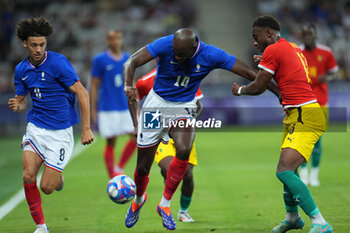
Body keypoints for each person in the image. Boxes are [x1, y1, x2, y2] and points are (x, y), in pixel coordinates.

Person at [124, 28, 280, 230]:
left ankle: (165, 204)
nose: (176, 57)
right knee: (143, 167)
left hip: (183, 107)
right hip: (156, 106)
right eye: (175, 53)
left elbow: (251, 73)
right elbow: (131, 62)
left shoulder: (211, 54)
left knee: (184, 150)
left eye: (181, 54)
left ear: (194, 48)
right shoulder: (166, 43)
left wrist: (277, 92)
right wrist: (128, 85)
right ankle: (138, 199)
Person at [232, 15, 333, 233]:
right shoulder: (293, 48)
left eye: (256, 36)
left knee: (285, 171)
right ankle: (293, 217)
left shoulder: (274, 50)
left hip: (304, 115)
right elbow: (288, 74)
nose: (254, 42)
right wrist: (267, 63)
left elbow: (258, 86)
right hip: (298, 114)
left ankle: (320, 222)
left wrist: (239, 90)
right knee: (289, 170)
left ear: (268, 33)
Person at [8, 17, 94, 233]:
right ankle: (41, 226)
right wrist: (18, 105)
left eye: (42, 44)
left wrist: (85, 128)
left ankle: (57, 176)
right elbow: (21, 100)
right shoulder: (21, 70)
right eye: (34, 45)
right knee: (28, 175)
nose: (38, 49)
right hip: (36, 128)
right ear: (25, 44)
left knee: (47, 187)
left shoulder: (58, 63)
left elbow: (82, 92)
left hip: (60, 133)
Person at [135, 67, 204, 223]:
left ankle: (183, 211)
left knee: (187, 175)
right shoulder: (146, 81)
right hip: (159, 129)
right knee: (168, 168)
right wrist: (137, 123)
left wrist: (187, 120)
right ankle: (164, 205)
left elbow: (199, 106)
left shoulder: (189, 76)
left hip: (182, 129)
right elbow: (134, 98)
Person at [90, 30, 136, 179]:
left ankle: (119, 166)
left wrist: (137, 106)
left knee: (137, 137)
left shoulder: (128, 58)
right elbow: (94, 85)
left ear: (121, 40)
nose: (115, 42)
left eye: (117, 38)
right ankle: (113, 177)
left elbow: (132, 83)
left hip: (125, 106)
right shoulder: (100, 60)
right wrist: (92, 109)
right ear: (107, 41)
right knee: (111, 141)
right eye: (111, 39)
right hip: (107, 107)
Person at [299, 23, 338, 187]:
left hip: (321, 101)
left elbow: (334, 71)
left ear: (315, 35)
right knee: (301, 139)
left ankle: (314, 175)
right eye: (305, 34)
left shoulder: (326, 52)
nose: (307, 37)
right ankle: (303, 173)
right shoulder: (298, 52)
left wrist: (327, 78)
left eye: (310, 34)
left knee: (317, 140)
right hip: (302, 102)